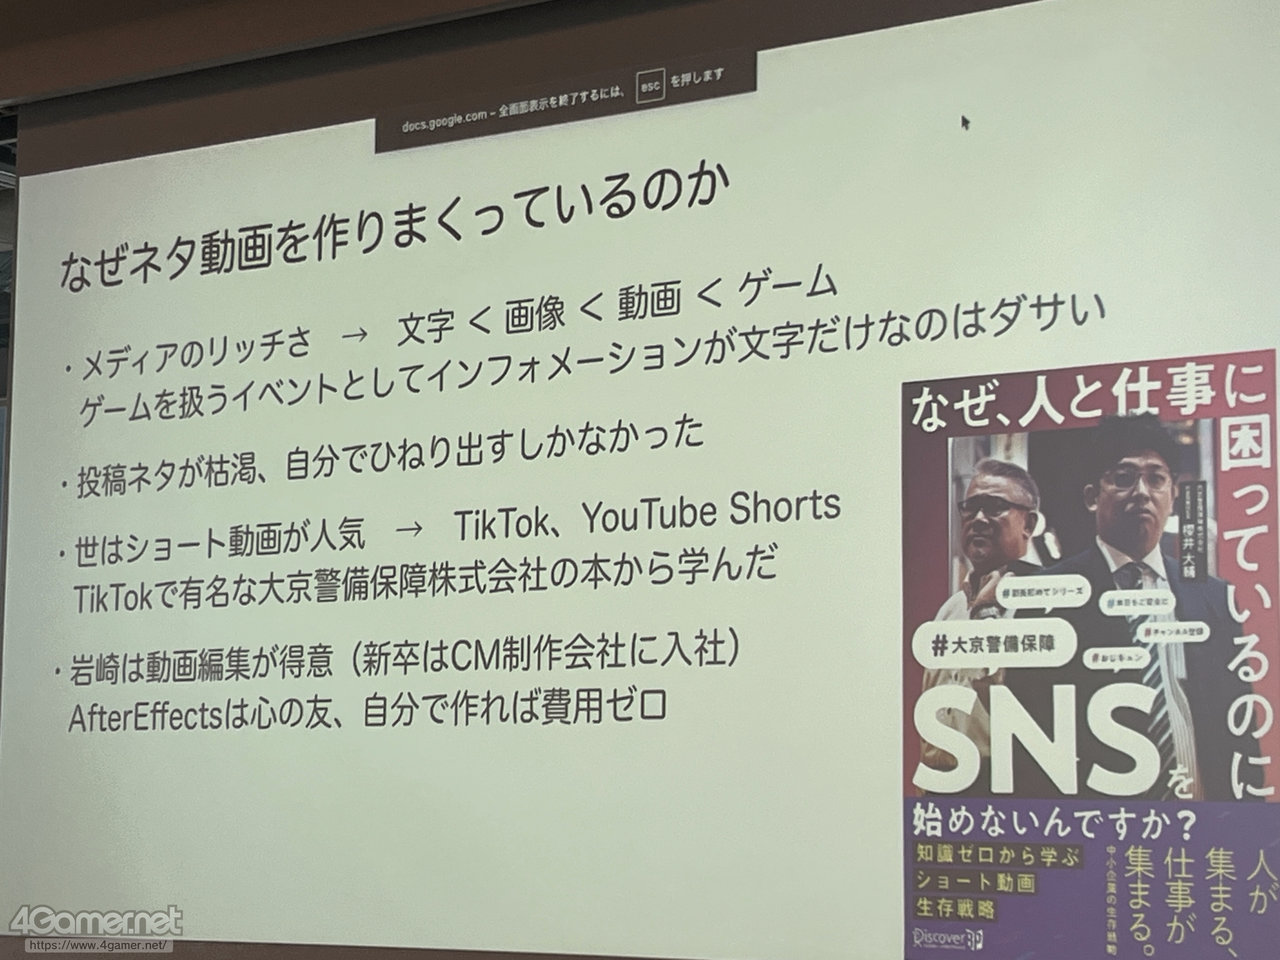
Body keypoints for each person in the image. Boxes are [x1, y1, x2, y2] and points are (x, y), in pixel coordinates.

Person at [1005, 414, 1257, 801]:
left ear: (1173, 494)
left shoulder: (1213, 598)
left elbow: (1239, 729)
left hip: (1205, 819)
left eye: (1156, 479)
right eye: (1124, 477)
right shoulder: (1046, 596)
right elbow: (1028, 738)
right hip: (1100, 820)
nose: (1142, 491)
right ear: (1092, 496)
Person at [919, 459, 1041, 775]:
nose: (979, 519)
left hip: (1005, 783)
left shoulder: (1044, 602)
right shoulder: (951, 608)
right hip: (942, 787)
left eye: (995, 507)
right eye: (971, 508)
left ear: (1028, 524)